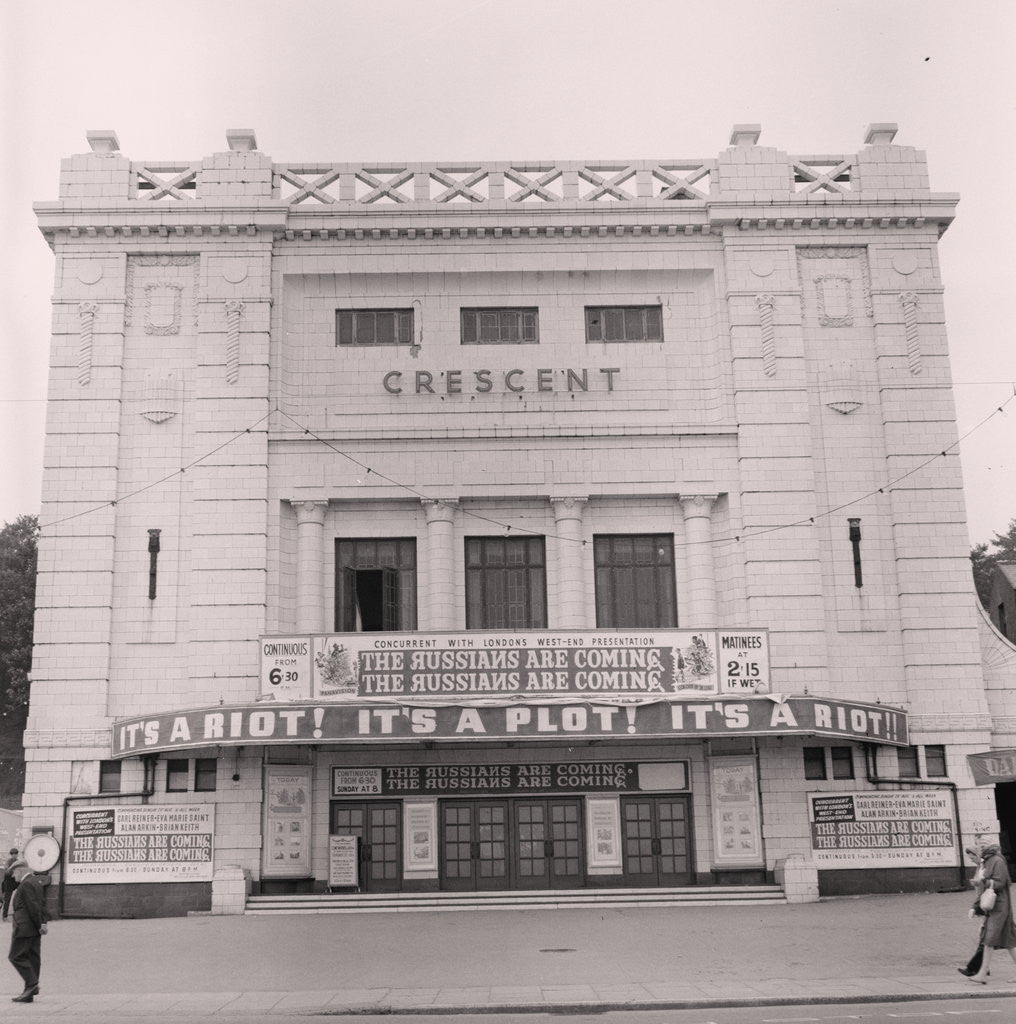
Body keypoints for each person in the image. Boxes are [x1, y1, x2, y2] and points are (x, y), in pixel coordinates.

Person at [969, 843, 1016, 984]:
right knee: (1008, 942)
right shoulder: (988, 861)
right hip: (993, 907)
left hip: (1000, 907)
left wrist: (983, 880)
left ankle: (982, 974)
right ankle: (982, 973)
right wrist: (976, 905)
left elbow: (1001, 882)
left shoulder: (997, 860)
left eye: (980, 846)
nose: (978, 848)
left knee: (989, 940)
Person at [7, 860, 47, 1003]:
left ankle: (32, 984)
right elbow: (41, 904)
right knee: (32, 957)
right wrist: (42, 923)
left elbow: (33, 907)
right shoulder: (36, 882)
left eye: (13, 873)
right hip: (33, 928)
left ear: (20, 870)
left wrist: (39, 924)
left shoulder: (26, 884)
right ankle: (29, 991)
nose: (13, 876)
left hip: (24, 929)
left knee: (15, 956)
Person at [1, 849, 18, 920]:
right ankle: (4, 916)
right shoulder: (8, 861)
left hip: (16, 881)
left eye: (15, 854)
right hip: (8, 882)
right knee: (7, 899)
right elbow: (6, 870)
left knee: (22, 894)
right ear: (11, 855)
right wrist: (12, 872)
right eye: (13, 854)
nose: (14, 855)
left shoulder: (18, 861)